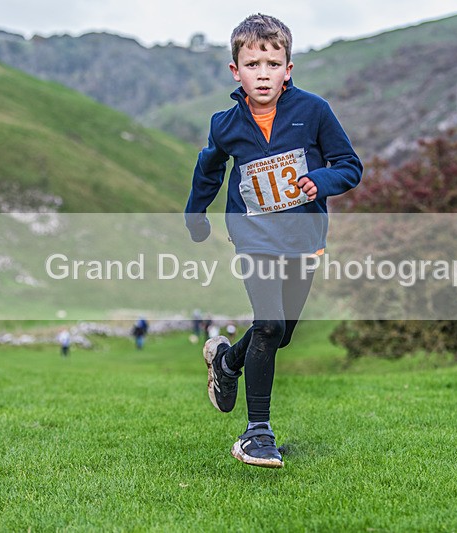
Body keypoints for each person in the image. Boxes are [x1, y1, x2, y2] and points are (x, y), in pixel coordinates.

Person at [185, 14, 362, 468]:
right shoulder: (225, 124)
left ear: (288, 69)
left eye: (272, 64)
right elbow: (209, 169)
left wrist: (321, 181)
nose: (262, 74)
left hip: (303, 237)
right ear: (235, 71)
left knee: (281, 333)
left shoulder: (314, 111)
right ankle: (257, 434)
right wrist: (195, 214)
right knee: (268, 324)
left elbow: (349, 164)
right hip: (253, 235)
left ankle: (227, 362)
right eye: (252, 64)